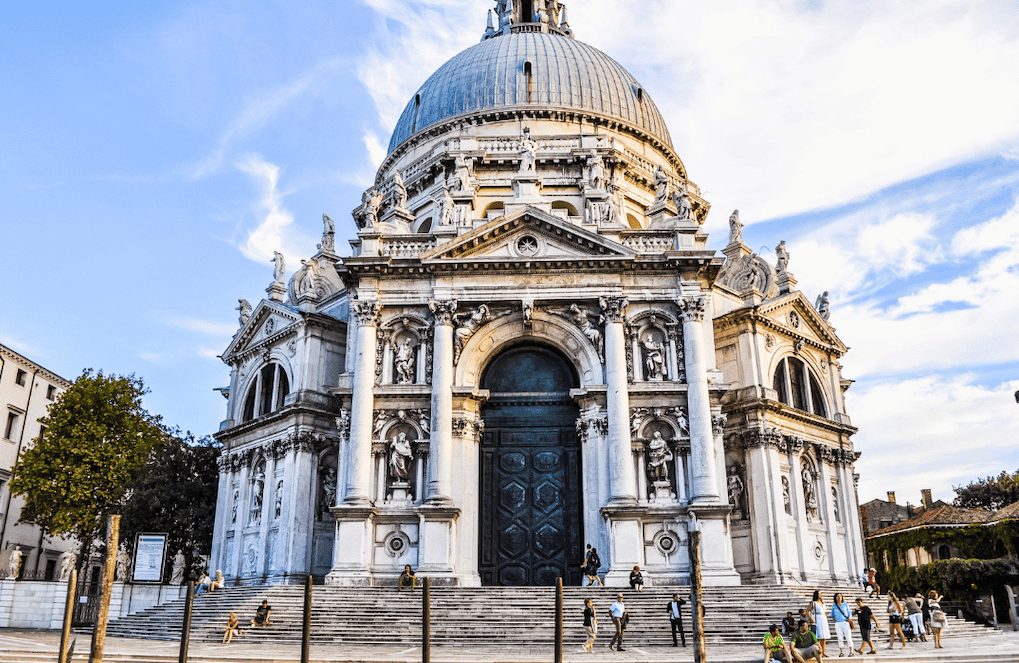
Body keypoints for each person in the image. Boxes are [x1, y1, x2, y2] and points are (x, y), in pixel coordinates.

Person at [830, 592, 855, 657]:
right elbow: (832, 614)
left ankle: (851, 651)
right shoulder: (834, 605)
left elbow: (849, 613)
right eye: (837, 596)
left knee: (848, 636)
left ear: (842, 597)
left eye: (840, 596)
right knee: (840, 637)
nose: (839, 598)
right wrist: (835, 620)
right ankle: (841, 652)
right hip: (838, 623)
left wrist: (849, 619)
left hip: (845, 622)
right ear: (835, 598)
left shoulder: (845, 604)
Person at [808, 590, 829, 657]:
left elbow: (825, 612)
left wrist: (826, 620)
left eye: (821, 594)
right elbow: (807, 611)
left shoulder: (823, 603)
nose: (821, 595)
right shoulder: (813, 603)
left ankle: (824, 652)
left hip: (823, 620)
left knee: (824, 637)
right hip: (817, 619)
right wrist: (811, 618)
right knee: (818, 637)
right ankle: (817, 651)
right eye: (820, 594)